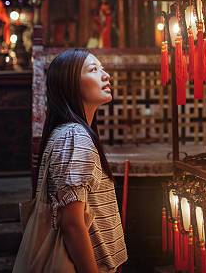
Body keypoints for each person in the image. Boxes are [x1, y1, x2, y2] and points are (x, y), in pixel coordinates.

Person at [20, 48, 127, 272]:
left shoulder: (69, 133)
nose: (106, 75)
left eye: (103, 68)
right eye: (94, 69)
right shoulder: (74, 137)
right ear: (70, 84)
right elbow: (72, 223)